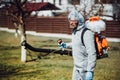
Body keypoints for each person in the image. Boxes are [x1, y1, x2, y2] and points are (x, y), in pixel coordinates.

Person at [57, 9, 97, 80]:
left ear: (79, 21)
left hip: (85, 68)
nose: (71, 22)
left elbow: (92, 52)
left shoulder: (87, 33)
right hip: (76, 66)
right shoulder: (75, 32)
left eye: (73, 20)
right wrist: (65, 45)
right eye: (70, 20)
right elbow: (76, 45)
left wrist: (90, 70)